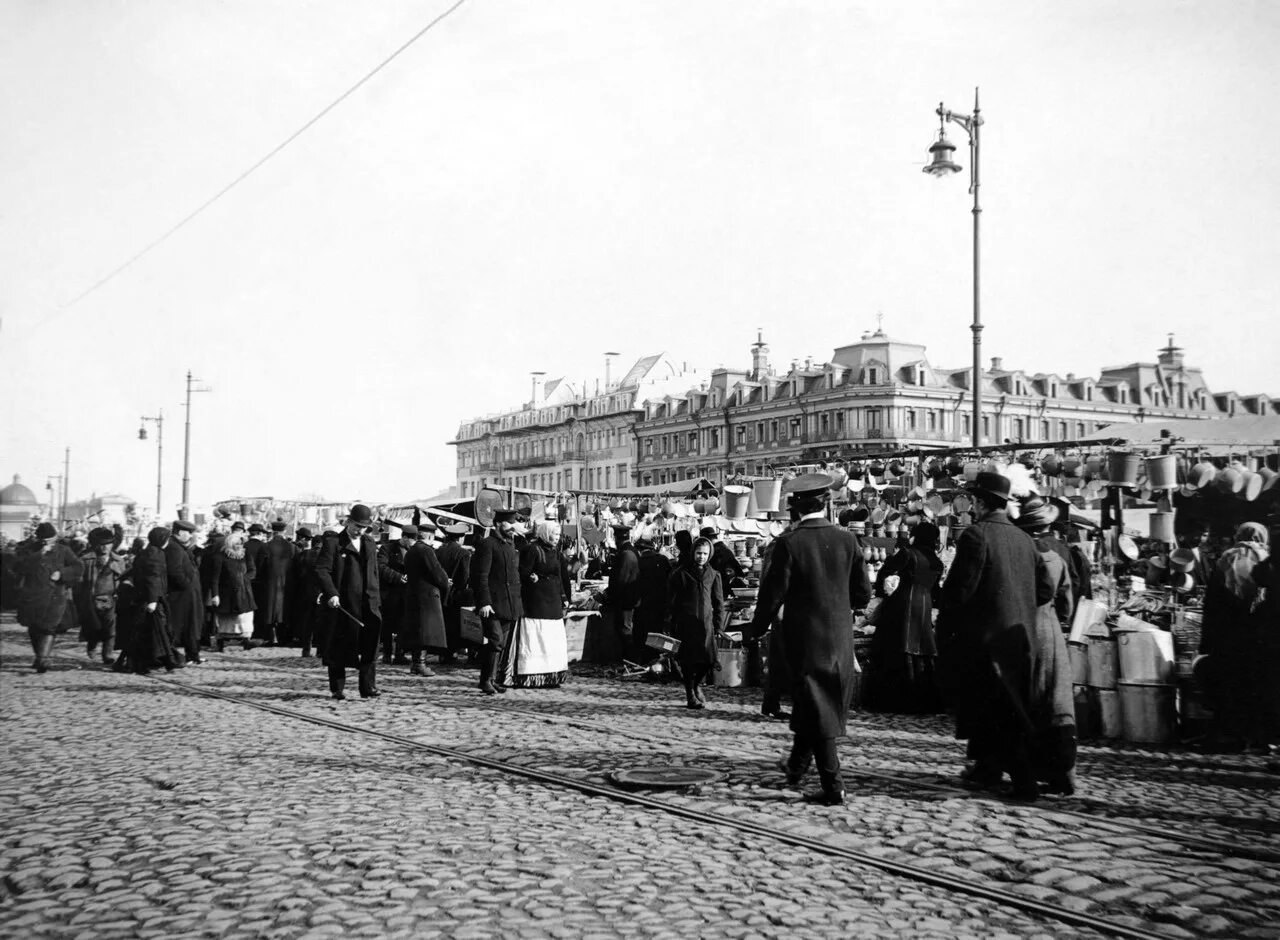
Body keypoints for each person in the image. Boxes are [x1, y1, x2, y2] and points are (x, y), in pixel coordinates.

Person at [747, 474, 871, 806]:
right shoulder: (848, 540)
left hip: (805, 640)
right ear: (825, 504)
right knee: (815, 702)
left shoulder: (790, 543)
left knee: (818, 707)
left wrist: (754, 630)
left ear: (796, 508)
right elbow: (863, 593)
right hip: (841, 640)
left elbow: (771, 597)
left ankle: (834, 786)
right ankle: (796, 767)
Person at [937, 471, 1055, 802]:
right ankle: (987, 769)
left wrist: (949, 625)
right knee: (1002, 708)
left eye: (972, 501)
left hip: (985, 642)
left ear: (979, 502)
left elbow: (959, 592)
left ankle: (1023, 780)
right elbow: (1045, 590)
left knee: (1001, 712)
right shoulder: (1023, 539)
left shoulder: (976, 536)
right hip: (1021, 640)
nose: (970, 507)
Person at [1012, 496, 1078, 794]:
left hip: (1024, 628)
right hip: (1051, 630)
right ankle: (1062, 772)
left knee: (1026, 702)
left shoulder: (1019, 553)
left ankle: (1026, 773)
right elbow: (1067, 602)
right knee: (1058, 704)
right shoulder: (1061, 553)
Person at [1199, 522, 1271, 751]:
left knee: (1228, 684)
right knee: (1254, 685)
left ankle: (1229, 735)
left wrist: (1206, 639)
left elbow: (1212, 602)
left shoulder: (1227, 558)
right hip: (1257, 633)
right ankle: (1256, 736)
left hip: (1227, 633)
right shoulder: (1266, 558)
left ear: (1238, 535)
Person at [864, 521, 944, 715]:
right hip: (924, 606)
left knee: (896, 646)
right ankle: (919, 700)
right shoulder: (936, 561)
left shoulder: (908, 554)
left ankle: (893, 700)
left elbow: (884, 572)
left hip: (901, 604)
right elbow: (936, 593)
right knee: (920, 648)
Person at [314, 504, 385, 700]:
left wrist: (377, 599)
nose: (359, 530)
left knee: (370, 645)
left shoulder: (370, 543)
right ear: (348, 522)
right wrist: (331, 593)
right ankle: (337, 688)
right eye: (356, 526)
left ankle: (368, 687)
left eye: (363, 527)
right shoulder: (333, 542)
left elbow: (374, 574)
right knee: (339, 646)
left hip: (368, 603)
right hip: (343, 605)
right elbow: (322, 570)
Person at [508, 520, 572, 688]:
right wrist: (531, 577)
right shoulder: (532, 550)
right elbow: (522, 573)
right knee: (536, 639)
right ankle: (530, 675)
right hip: (535, 603)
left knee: (551, 640)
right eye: (554, 534)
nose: (557, 538)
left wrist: (565, 597)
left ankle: (551, 675)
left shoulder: (556, 553)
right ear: (545, 534)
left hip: (553, 604)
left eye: (558, 535)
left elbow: (561, 577)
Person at [16, 522, 84, 673]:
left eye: (51, 540)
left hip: (55, 596)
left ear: (55, 538)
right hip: (32, 597)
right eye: (44, 541)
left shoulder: (64, 550)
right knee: (34, 628)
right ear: (38, 540)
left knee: (48, 627)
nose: (48, 544)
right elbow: (19, 567)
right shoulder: (29, 550)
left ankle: (43, 659)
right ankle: (40, 656)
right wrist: (39, 554)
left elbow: (78, 567)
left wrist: (62, 573)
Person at [667, 536, 726, 710]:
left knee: (708, 661)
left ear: (710, 555)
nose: (701, 556)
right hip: (686, 624)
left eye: (705, 554)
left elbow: (718, 603)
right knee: (687, 662)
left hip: (706, 625)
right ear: (693, 552)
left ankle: (696, 684)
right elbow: (670, 601)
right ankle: (690, 695)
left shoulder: (714, 575)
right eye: (699, 553)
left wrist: (719, 625)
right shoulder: (680, 574)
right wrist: (669, 622)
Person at [471, 507, 523, 695]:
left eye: (514, 524)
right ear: (499, 524)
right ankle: (485, 680)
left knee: (500, 644)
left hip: (509, 604)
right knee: (495, 640)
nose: (512, 527)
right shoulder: (487, 544)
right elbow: (480, 576)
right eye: (509, 524)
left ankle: (491, 679)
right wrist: (484, 602)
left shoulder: (510, 546)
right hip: (492, 604)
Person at [129, 526, 184, 674]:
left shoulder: (148, 551)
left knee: (150, 631)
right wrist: (153, 599)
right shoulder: (156, 554)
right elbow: (153, 577)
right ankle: (168, 661)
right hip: (153, 598)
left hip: (147, 597)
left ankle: (160, 661)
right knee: (158, 630)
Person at [400, 524, 450, 676]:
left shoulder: (411, 551)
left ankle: (416, 664)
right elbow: (437, 573)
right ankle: (420, 664)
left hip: (414, 595)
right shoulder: (426, 550)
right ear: (430, 536)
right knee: (425, 632)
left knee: (418, 631)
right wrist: (446, 583)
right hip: (427, 597)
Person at [75, 527, 127, 666]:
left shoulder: (118, 560)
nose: (105, 547)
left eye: (108, 544)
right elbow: (78, 581)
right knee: (94, 626)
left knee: (111, 628)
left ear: (112, 544)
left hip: (110, 598)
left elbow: (124, 579)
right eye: (101, 544)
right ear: (95, 544)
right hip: (91, 599)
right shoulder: (86, 559)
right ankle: (92, 644)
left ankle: (107, 654)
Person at [209, 529, 258, 651]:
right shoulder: (220, 556)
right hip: (226, 593)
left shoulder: (246, 555)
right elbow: (215, 578)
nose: (239, 546)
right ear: (230, 543)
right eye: (237, 543)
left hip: (244, 592)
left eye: (241, 543)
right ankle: (221, 641)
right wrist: (215, 595)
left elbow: (252, 570)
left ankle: (246, 640)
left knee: (244, 617)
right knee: (226, 618)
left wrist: (243, 579)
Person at [165, 519, 205, 664]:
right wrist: (187, 584)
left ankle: (192, 655)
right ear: (180, 532)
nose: (190, 536)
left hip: (188, 594)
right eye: (189, 533)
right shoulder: (174, 548)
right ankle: (174, 656)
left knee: (192, 625)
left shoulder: (179, 547)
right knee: (180, 625)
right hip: (182, 595)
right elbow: (175, 571)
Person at [436, 522, 473, 665]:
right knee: (454, 625)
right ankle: (451, 653)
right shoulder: (464, 553)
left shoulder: (438, 550)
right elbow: (464, 578)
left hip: (440, 592)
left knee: (443, 623)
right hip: (455, 594)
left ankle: (443, 653)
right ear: (461, 538)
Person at [633, 535, 673, 662]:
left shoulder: (638, 562)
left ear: (639, 550)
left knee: (642, 632)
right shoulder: (663, 560)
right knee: (657, 632)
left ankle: (644, 659)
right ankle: (656, 658)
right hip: (660, 604)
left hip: (643, 605)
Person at [602, 524, 640, 657]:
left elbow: (621, 580)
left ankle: (630, 659)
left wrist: (608, 595)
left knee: (625, 631)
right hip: (628, 599)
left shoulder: (626, 554)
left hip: (626, 601)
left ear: (617, 538)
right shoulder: (630, 551)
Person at [258, 520, 295, 647]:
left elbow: (260, 567)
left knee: (269, 609)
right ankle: (282, 637)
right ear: (284, 531)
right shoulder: (291, 547)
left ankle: (270, 636)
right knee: (284, 609)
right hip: (286, 583)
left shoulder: (266, 546)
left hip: (269, 582)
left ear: (273, 531)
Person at [378, 524, 411, 666]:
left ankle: (400, 654)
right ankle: (386, 653)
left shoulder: (415, 550)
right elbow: (381, 567)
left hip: (407, 594)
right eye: (410, 540)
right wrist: (398, 577)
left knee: (403, 625)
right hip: (390, 594)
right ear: (403, 537)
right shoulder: (388, 548)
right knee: (387, 625)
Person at [288, 530, 323, 658]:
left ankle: (306, 649)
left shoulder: (302, 555)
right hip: (321, 593)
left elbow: (295, 575)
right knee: (321, 622)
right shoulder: (325, 556)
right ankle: (320, 650)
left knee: (307, 622)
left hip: (305, 592)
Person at [245, 523, 271, 644]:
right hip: (260, 582)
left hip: (245, 582)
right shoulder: (264, 546)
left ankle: (246, 632)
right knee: (260, 608)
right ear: (260, 534)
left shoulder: (243, 546)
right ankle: (259, 633)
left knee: (247, 608)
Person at [701, 525, 744, 596]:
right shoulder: (725, 549)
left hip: (720, 589)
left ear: (707, 540)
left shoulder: (714, 552)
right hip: (726, 588)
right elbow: (739, 571)